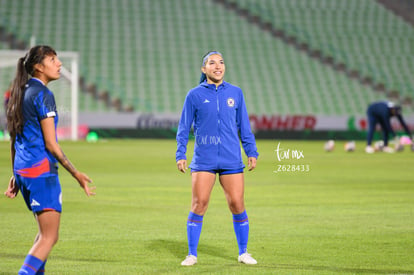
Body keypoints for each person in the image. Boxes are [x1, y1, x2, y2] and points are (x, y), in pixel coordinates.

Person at [4, 45, 96, 275]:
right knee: (49, 237)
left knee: (43, 235)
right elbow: (51, 144)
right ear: (38, 66)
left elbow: (14, 137)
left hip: (24, 171)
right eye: (53, 59)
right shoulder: (43, 94)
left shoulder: (20, 92)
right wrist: (77, 175)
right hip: (41, 171)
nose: (59, 64)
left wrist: (15, 173)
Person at [176, 51, 259, 266]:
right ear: (204, 69)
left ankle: (243, 252)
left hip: (231, 158)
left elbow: (244, 126)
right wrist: (181, 154)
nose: (218, 66)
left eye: (221, 62)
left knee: (237, 204)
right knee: (199, 203)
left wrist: (251, 151)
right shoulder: (194, 95)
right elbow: (184, 127)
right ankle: (192, 254)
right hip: (204, 159)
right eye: (212, 63)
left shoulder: (236, 93)